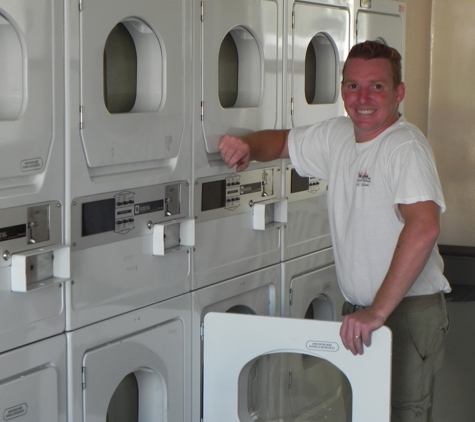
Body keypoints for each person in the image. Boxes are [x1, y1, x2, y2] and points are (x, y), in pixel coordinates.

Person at [219, 41, 450, 422]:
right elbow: (281, 142)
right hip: (361, 313)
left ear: (399, 93)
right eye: (351, 85)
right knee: (364, 412)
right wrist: (246, 147)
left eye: (376, 86)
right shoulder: (339, 136)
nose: (362, 98)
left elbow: (424, 227)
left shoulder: (403, 147)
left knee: (401, 415)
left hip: (405, 313)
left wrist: (377, 311)